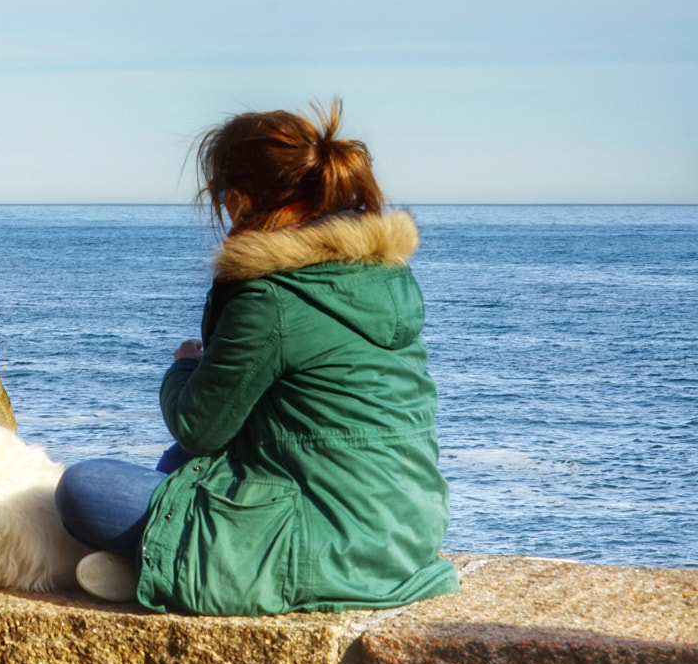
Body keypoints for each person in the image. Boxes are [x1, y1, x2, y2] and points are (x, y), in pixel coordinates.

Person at [54, 101, 458, 614]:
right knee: (187, 467)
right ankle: (149, 563)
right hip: (404, 531)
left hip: (326, 543)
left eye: (221, 195)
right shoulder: (382, 276)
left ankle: (154, 566)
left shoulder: (272, 297)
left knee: (81, 490)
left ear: (240, 197)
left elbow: (198, 426)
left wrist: (183, 366)